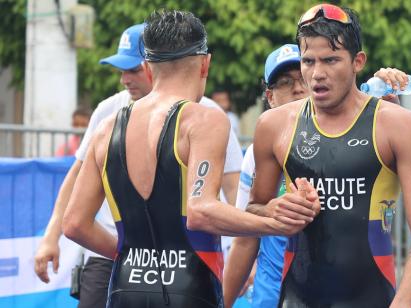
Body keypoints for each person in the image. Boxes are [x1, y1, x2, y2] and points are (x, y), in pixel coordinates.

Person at [62, 10, 319, 307]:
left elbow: (74, 224)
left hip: (124, 286)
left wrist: (129, 255)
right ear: (204, 63)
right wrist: (275, 224)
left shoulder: (108, 127)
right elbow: (200, 211)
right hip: (189, 287)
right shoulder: (203, 120)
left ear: (147, 68)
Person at [34, 22, 243, 308]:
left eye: (132, 70)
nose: (124, 79)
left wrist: (131, 255)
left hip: (130, 269)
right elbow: (75, 179)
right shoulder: (110, 110)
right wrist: (50, 236)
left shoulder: (202, 115)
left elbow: (233, 186)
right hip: (133, 259)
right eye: (120, 70)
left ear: (149, 67)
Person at [244, 4, 411, 307]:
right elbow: (254, 210)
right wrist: (276, 210)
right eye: (308, 61)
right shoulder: (273, 125)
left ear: (357, 61)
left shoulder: (397, 124)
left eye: (331, 60)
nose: (317, 74)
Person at [224, 42, 411, 307]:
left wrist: (389, 110)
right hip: (274, 296)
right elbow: (245, 238)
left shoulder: (359, 137)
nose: (298, 87)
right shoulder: (258, 153)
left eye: (302, 76)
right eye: (284, 82)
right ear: (270, 97)